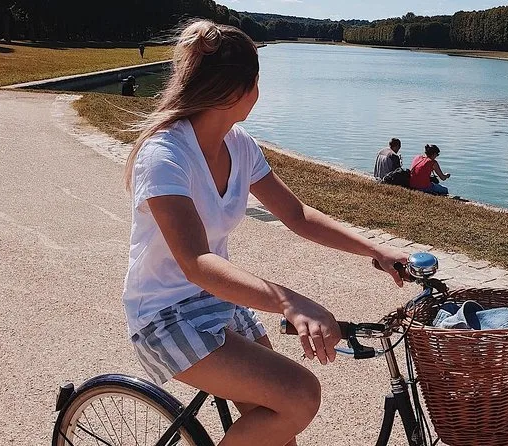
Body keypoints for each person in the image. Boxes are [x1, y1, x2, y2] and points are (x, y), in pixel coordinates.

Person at [122, 20, 407, 446]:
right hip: (164, 315)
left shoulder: (239, 144)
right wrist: (290, 301)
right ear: (240, 91)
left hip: (216, 300)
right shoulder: (165, 155)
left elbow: (297, 214)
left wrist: (375, 249)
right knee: (300, 396)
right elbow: (196, 262)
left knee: (278, 430)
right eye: (257, 82)